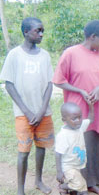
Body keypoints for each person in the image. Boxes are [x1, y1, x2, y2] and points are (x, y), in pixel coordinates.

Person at [52, 20, 99, 195]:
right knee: (80, 145)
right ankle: (79, 181)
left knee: (97, 143)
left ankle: (95, 181)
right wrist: (80, 90)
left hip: (98, 109)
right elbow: (59, 80)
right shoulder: (71, 53)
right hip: (77, 109)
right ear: (92, 36)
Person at [0, 17, 54, 195]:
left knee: (41, 147)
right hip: (24, 114)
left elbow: (49, 85)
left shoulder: (45, 55)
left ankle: (38, 181)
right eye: (37, 30)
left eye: (42, 30)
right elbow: (9, 84)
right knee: (23, 152)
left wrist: (40, 111)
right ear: (25, 32)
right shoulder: (15, 55)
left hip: (42, 113)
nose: (41, 34)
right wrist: (27, 111)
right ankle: (20, 190)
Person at [55, 102, 95, 195]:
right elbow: (58, 154)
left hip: (78, 165)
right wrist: (59, 172)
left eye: (80, 117)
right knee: (80, 186)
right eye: (74, 119)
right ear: (64, 119)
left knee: (83, 190)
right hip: (68, 167)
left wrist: (91, 106)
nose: (78, 120)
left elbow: (91, 119)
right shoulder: (63, 135)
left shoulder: (80, 127)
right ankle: (62, 187)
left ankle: (68, 188)